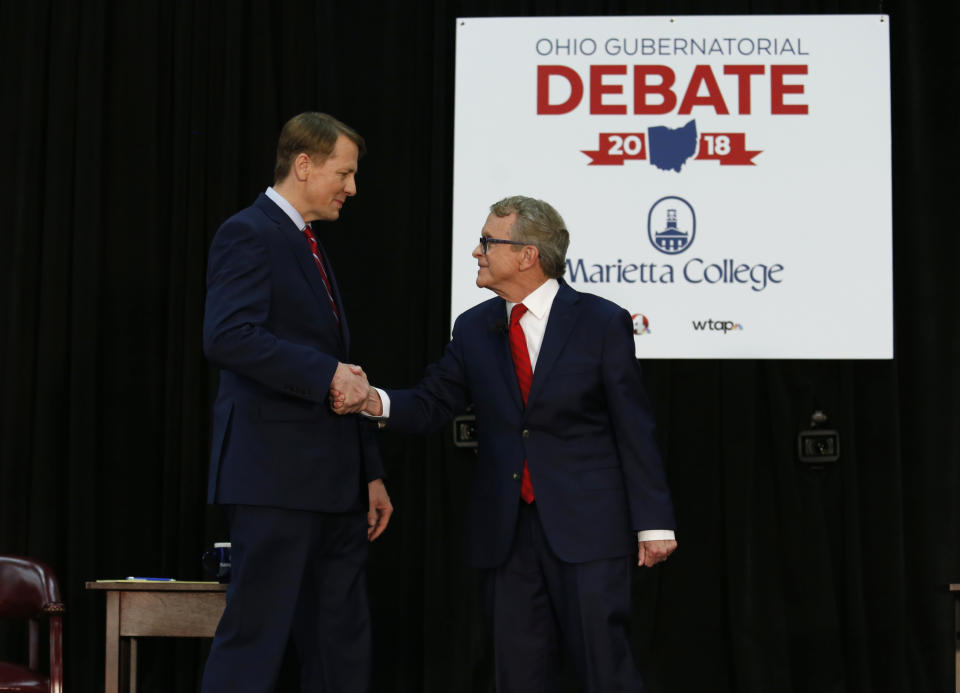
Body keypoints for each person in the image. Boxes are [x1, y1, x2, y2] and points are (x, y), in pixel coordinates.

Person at [333, 195, 677, 692]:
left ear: (527, 255)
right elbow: (432, 402)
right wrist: (372, 401)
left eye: (488, 242)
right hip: (508, 532)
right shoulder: (474, 327)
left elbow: (634, 426)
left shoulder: (601, 322)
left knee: (605, 670)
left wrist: (653, 522)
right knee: (516, 674)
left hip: (589, 528)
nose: (477, 251)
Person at [201, 112, 392, 693]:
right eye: (345, 172)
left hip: (335, 486)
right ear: (303, 165)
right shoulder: (249, 232)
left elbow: (340, 366)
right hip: (274, 479)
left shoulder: (309, 245)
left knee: (341, 643)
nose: (352, 188)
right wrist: (326, 372)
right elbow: (228, 336)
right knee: (256, 639)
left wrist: (370, 473)